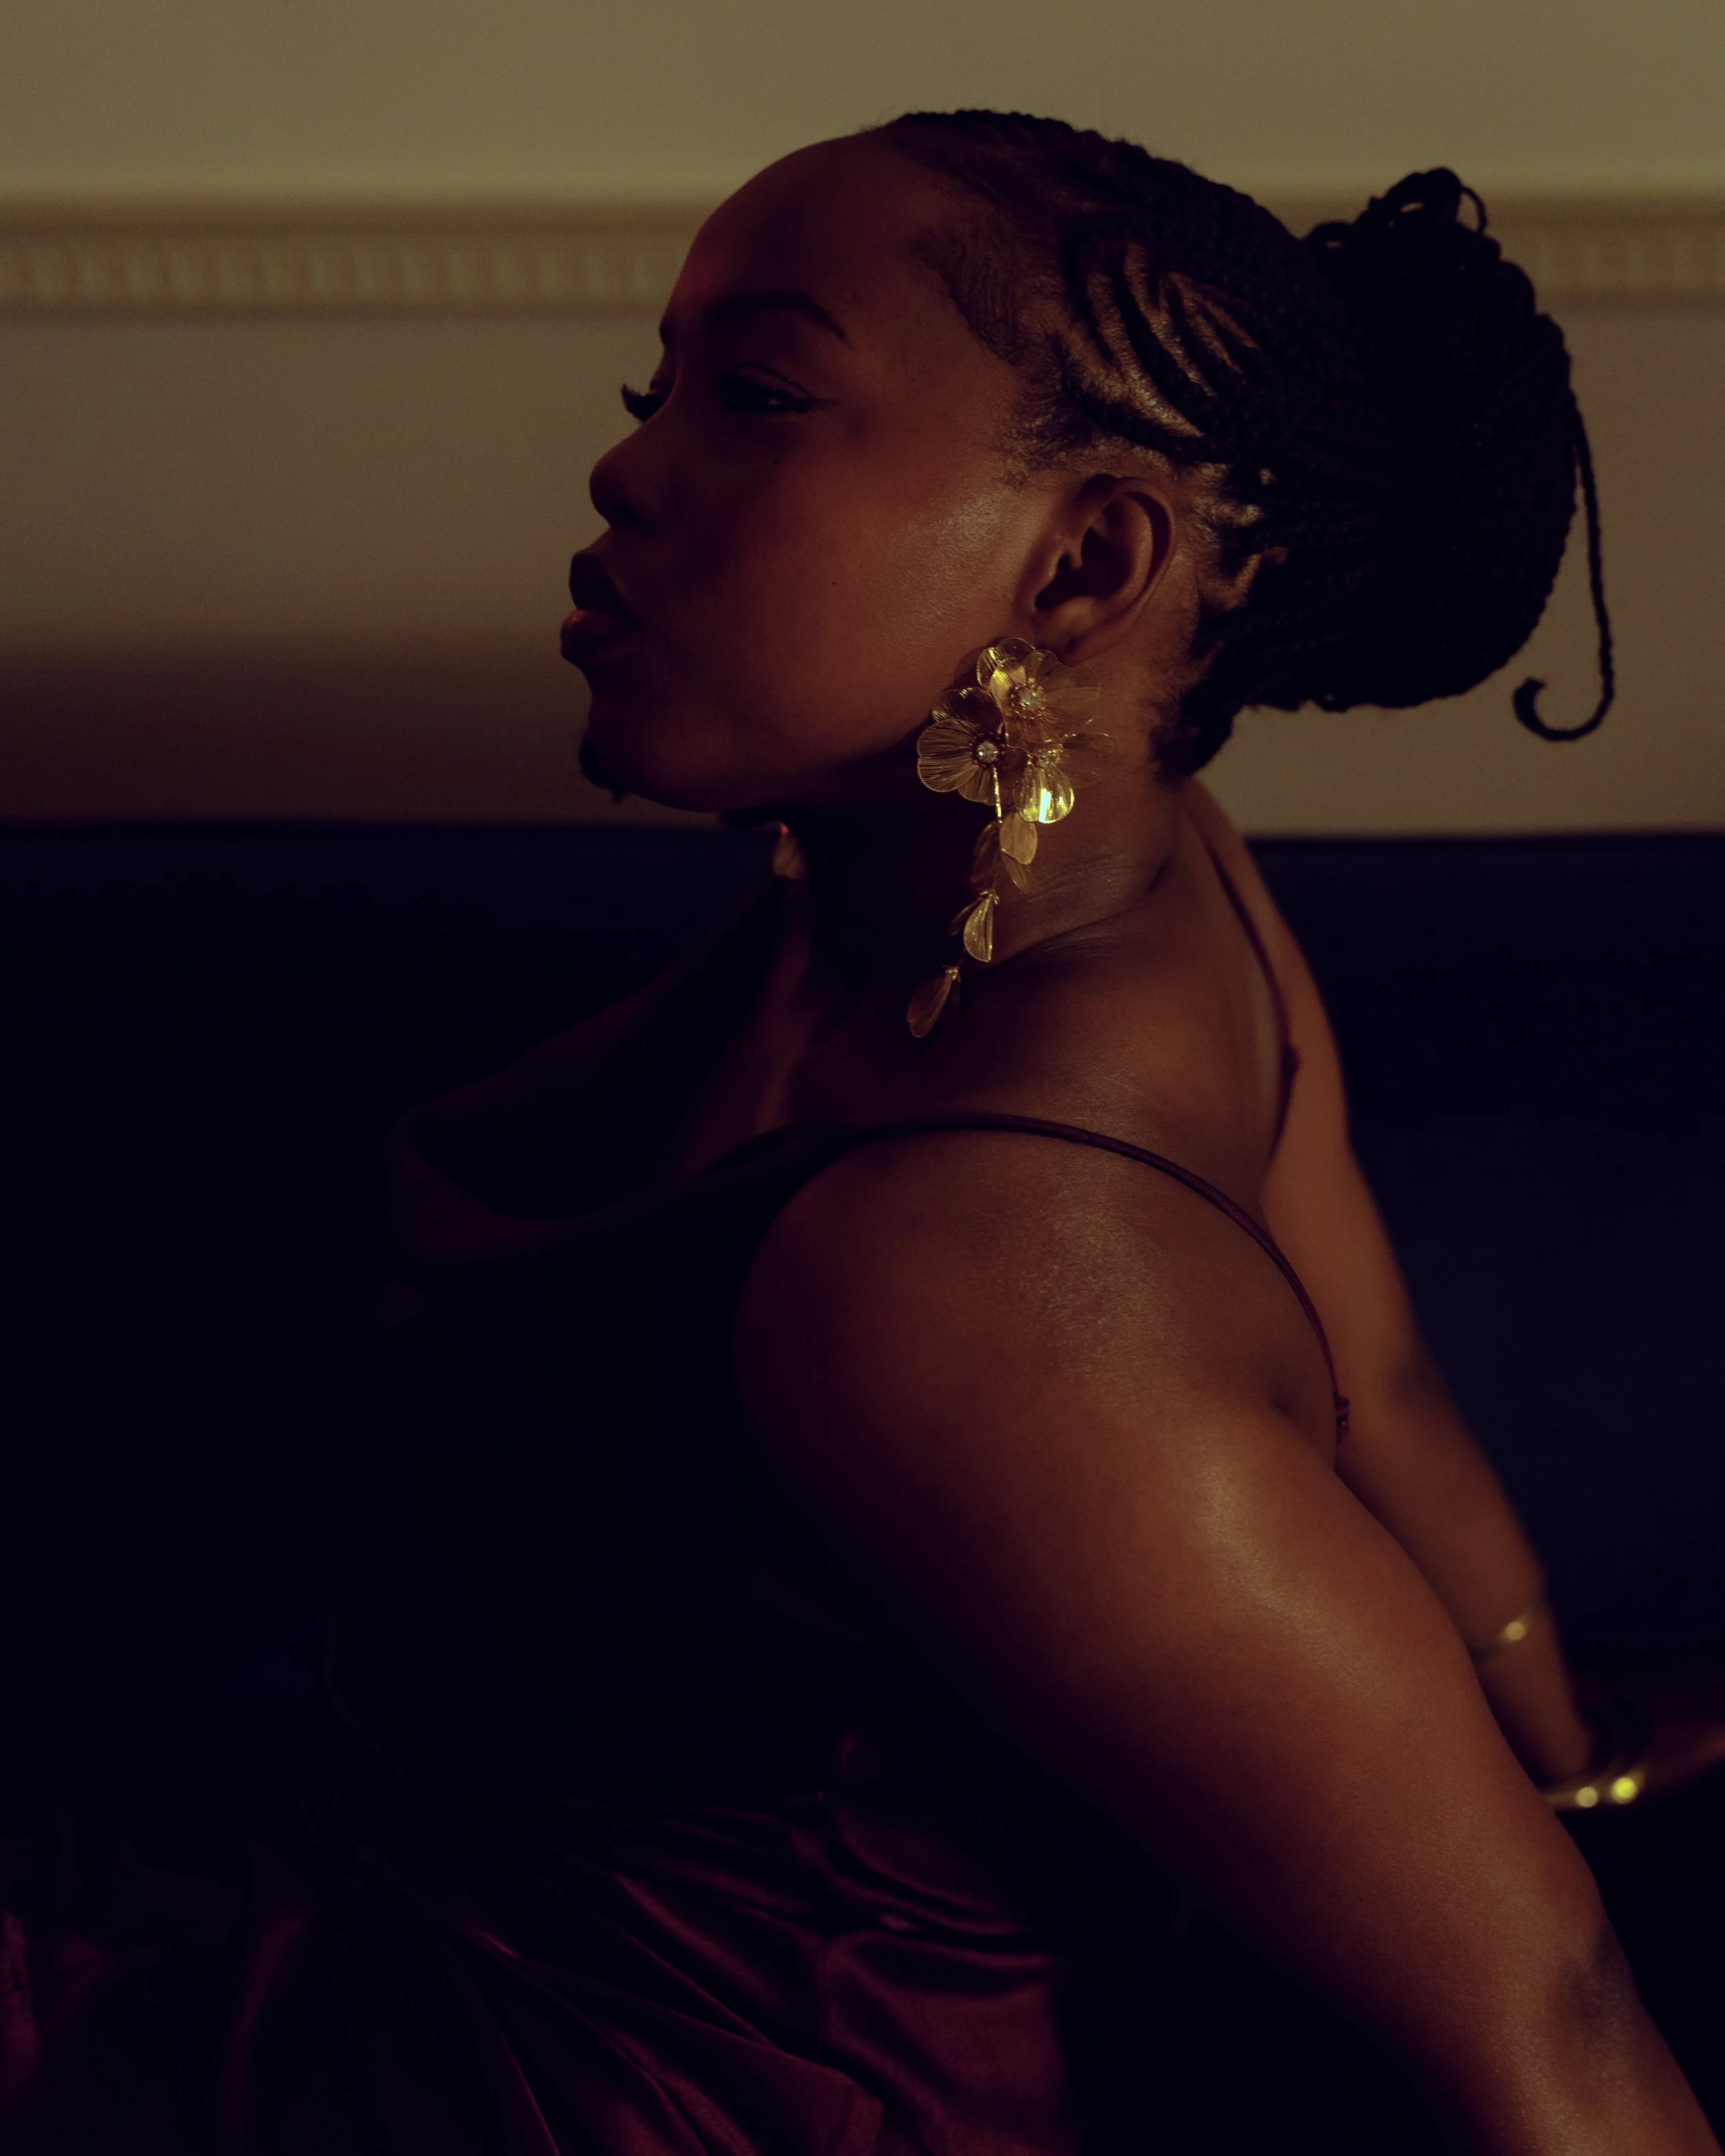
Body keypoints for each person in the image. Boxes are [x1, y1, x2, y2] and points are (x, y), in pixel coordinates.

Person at [6, 111, 1723, 2154]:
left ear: (1083, 565)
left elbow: (1544, 2013)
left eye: (756, 394)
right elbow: (1389, 1383)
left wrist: (1558, 1820)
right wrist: (1561, 1741)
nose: (628, 470)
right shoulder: (1099, 880)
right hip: (366, 1943)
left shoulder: (982, 1276)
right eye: (653, 390)